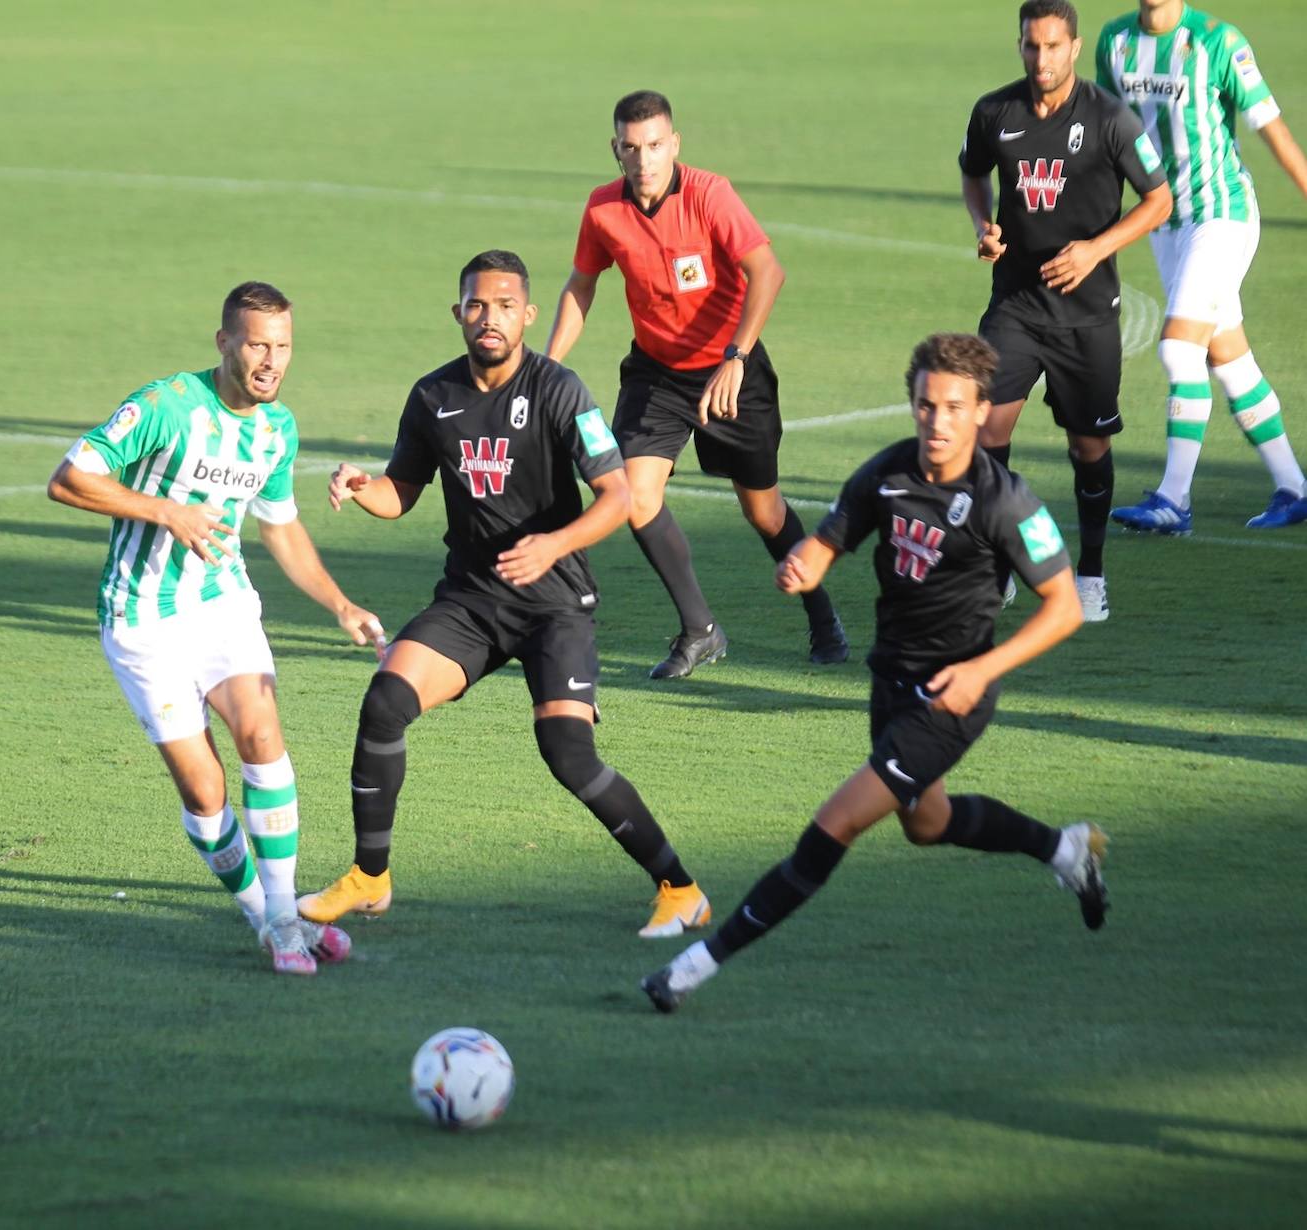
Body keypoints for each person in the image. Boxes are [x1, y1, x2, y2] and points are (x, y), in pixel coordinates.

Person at [642, 333, 1106, 1014]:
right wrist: (804, 565)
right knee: (928, 822)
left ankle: (690, 968)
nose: (937, 421)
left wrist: (983, 671)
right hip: (890, 680)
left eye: (953, 407)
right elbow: (829, 539)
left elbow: (1064, 607)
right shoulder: (886, 474)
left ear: (982, 411)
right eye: (926, 405)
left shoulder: (1007, 501)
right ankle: (1063, 850)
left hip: (951, 699)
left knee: (834, 826)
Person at [296, 250, 711, 939]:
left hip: (554, 602)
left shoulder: (561, 390)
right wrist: (362, 486)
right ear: (459, 312)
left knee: (567, 752)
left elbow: (618, 497)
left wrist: (554, 544)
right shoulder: (433, 396)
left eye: (505, 306)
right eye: (477, 305)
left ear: (528, 315)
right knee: (385, 701)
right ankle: (370, 879)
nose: (490, 318)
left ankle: (680, 888)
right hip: (472, 599)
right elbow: (403, 490)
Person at [47, 281, 381, 975]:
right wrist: (165, 512)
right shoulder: (167, 406)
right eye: (257, 343)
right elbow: (69, 479)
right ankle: (264, 915)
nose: (271, 360)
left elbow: (281, 528)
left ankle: (287, 918)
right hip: (141, 619)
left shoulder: (276, 429)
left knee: (260, 731)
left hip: (222, 602)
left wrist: (339, 603)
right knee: (204, 793)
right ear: (224, 341)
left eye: (283, 346)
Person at [544, 90, 848, 678]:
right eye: (631, 148)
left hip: (730, 372)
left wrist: (736, 355)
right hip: (656, 373)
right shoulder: (603, 209)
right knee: (633, 495)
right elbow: (582, 285)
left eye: (655, 145)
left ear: (674, 144)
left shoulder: (711, 194)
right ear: (616, 150)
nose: (644, 159)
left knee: (763, 513)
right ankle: (700, 629)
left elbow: (768, 271)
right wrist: (547, 365)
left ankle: (821, 614)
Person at [960, 0, 1172, 623]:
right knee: (986, 431)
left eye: (1054, 46)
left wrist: (1094, 251)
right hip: (1016, 308)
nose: (1042, 58)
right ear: (1020, 44)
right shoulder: (994, 111)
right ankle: (999, 567)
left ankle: (1092, 571)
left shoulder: (1111, 120)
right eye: (1031, 45)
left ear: (1075, 48)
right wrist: (984, 224)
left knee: (1088, 448)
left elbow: (1157, 201)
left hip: (1087, 315)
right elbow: (974, 174)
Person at [1099, 0, 1307, 531]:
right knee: (1227, 356)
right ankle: (1294, 487)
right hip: (1164, 223)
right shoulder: (1115, 43)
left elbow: (1273, 131)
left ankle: (1174, 500)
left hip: (1222, 214)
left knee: (1177, 347)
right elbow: (1109, 137)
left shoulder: (1219, 42)